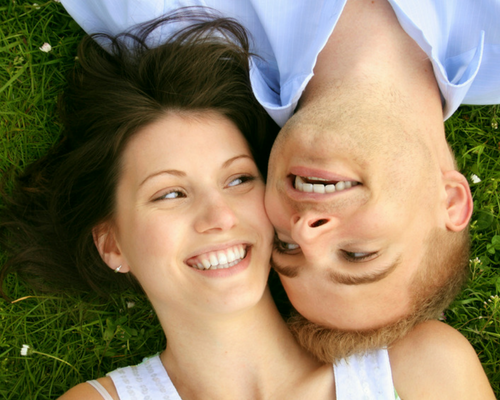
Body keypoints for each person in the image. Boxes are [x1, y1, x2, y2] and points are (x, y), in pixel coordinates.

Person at [0, 11, 495, 400]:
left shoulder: (423, 370)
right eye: (169, 193)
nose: (218, 218)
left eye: (238, 179)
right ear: (112, 244)